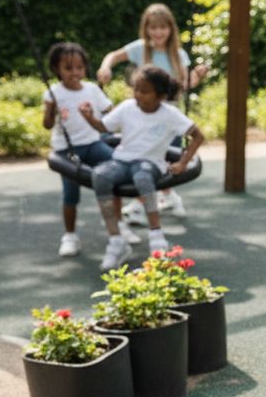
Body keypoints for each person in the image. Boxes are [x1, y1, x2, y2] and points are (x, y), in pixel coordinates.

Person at [81, 66, 204, 270]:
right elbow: (103, 126)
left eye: (144, 91)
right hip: (122, 160)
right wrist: (88, 117)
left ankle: (157, 236)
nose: (138, 94)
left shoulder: (170, 114)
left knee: (143, 177)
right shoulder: (127, 107)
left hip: (151, 162)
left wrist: (182, 162)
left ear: (161, 96)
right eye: (136, 89)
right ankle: (116, 240)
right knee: (100, 175)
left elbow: (198, 136)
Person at [97, 4, 208, 221]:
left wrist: (197, 76)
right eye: (153, 28)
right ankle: (157, 200)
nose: (158, 32)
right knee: (145, 159)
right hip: (143, 117)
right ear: (146, 29)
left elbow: (185, 84)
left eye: (162, 28)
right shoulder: (141, 48)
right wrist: (105, 67)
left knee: (159, 161)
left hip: (168, 116)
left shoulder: (178, 54)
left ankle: (150, 202)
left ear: (171, 29)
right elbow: (113, 56)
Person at [41, 42, 114, 258]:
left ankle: (116, 227)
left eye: (79, 67)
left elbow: (111, 113)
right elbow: (47, 125)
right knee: (71, 193)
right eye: (68, 68)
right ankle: (70, 235)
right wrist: (51, 109)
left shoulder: (92, 89)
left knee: (116, 174)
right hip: (67, 150)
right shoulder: (53, 93)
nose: (75, 73)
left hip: (93, 144)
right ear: (57, 69)